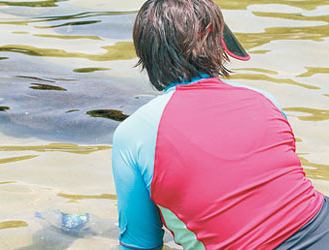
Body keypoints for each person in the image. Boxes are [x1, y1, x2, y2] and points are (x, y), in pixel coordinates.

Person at [111, 0, 328, 249]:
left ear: (145, 54)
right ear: (218, 43)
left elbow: (140, 245)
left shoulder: (133, 134)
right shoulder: (265, 100)